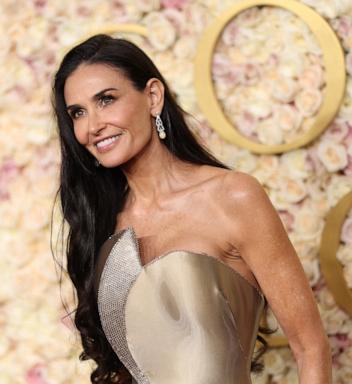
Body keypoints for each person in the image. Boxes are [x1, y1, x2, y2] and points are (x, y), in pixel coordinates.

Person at [51, 34, 331, 384]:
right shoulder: (102, 224)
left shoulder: (232, 197)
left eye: (106, 100)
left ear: (153, 96)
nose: (92, 126)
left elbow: (310, 348)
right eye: (78, 112)